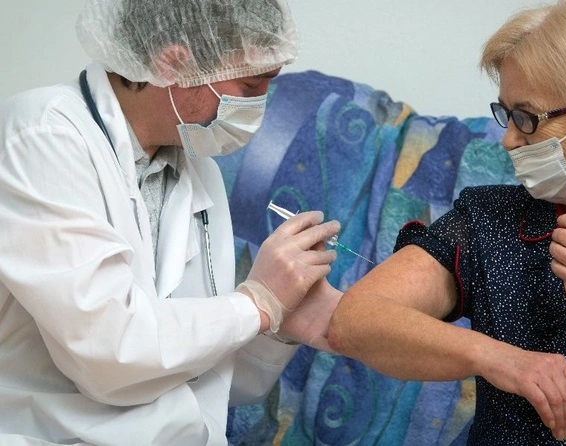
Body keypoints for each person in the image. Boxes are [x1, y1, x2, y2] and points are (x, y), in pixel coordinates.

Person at [0, 0, 344, 444]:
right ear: (173, 64)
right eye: (251, 83)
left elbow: (197, 378)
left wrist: (277, 327)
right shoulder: (43, 135)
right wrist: (256, 304)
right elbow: (111, 355)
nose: (260, 103)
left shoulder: (198, 172)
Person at [328, 0, 566, 444]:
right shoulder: (488, 218)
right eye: (506, 114)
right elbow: (354, 321)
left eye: (526, 118)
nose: (508, 140)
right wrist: (497, 358)